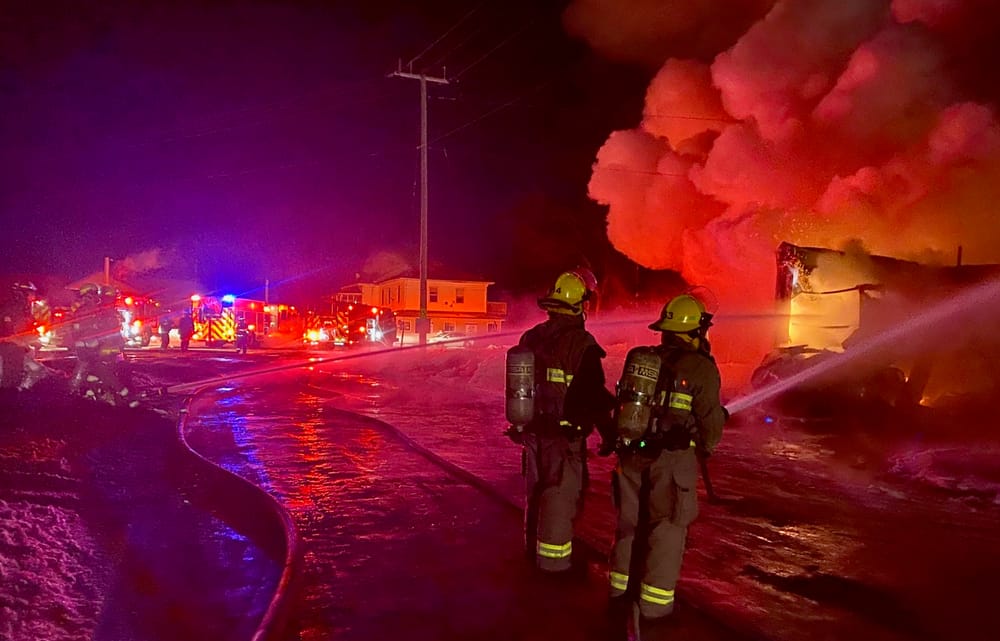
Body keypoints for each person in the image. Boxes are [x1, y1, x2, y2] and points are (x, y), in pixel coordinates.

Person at [606, 293, 728, 639]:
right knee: (667, 531)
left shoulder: (645, 360)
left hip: (631, 455)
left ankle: (618, 595)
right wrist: (706, 445)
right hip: (671, 463)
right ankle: (655, 612)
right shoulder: (700, 367)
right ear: (695, 329)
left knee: (629, 527)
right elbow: (711, 426)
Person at [506, 268, 616, 577]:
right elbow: (591, 396)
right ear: (580, 305)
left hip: (532, 433)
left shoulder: (531, 337)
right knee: (559, 497)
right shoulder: (582, 344)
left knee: (536, 494)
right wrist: (610, 433)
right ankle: (554, 566)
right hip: (564, 438)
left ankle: (532, 554)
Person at [69, 284, 134, 406]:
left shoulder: (101, 310)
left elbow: (102, 330)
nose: (95, 297)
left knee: (98, 370)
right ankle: (99, 393)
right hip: (97, 347)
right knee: (97, 370)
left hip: (100, 347)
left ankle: (94, 392)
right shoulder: (100, 310)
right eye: (93, 294)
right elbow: (83, 330)